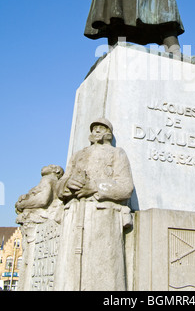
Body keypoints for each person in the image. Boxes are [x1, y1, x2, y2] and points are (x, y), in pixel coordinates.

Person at [53, 118, 134, 291]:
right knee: (68, 275)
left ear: (108, 133)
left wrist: (95, 186)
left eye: (101, 128)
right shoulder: (78, 154)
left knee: (103, 274)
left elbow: (125, 187)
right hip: (74, 217)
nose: (96, 131)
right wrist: (67, 185)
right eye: (94, 128)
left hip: (101, 218)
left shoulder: (116, 153)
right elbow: (60, 187)